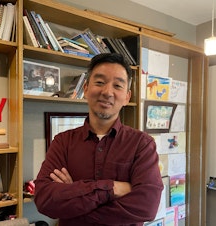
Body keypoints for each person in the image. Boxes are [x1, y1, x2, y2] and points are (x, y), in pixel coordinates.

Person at [34, 53, 164, 226]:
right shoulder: (63, 142)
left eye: (117, 85)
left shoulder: (142, 144)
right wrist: (112, 188)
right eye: (100, 82)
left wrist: (75, 194)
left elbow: (147, 206)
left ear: (127, 97)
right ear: (86, 89)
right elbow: (44, 199)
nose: (107, 92)